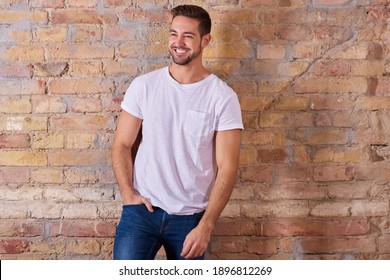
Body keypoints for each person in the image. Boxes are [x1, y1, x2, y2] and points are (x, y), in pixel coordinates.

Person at [111, 4, 243, 260]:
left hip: (191, 218)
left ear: (206, 40)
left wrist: (206, 225)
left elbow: (228, 167)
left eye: (188, 36)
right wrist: (128, 195)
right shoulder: (144, 86)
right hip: (141, 212)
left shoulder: (222, 98)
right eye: (174, 34)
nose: (178, 42)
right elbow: (122, 145)